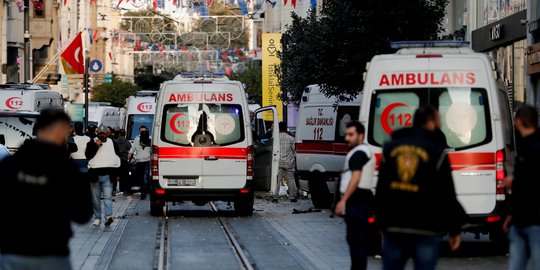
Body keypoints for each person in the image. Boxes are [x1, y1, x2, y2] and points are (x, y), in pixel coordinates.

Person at [0, 109, 93, 270]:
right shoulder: (67, 169)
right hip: (52, 252)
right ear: (59, 130)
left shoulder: (10, 164)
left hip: (11, 252)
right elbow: (83, 215)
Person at [375, 106, 465, 270]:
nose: (441, 123)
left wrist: (380, 221)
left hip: (395, 226)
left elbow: (382, 189)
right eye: (439, 119)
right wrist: (454, 230)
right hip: (427, 228)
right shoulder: (437, 153)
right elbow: (447, 194)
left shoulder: (390, 149)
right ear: (431, 123)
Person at [503, 105, 540, 270]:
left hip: (535, 221)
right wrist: (511, 214)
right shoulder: (525, 145)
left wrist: (514, 183)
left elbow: (532, 182)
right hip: (520, 219)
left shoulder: (533, 147)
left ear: (519, 121)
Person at [334, 121, 374, 270]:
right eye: (346, 135)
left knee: (357, 243)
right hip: (358, 203)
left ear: (361, 135)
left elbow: (356, 177)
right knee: (355, 242)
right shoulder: (360, 151)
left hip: (358, 203)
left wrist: (343, 201)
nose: (347, 138)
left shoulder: (360, 153)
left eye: (351, 135)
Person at [87, 124, 121, 227]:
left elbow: (117, 158)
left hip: (108, 175)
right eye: (100, 133)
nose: (102, 136)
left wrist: (117, 174)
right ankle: (97, 217)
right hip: (95, 175)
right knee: (95, 199)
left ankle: (108, 217)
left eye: (104, 134)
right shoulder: (92, 142)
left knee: (108, 197)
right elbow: (88, 155)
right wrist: (96, 146)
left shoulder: (113, 143)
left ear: (107, 133)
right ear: (97, 133)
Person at [274, 122, 298, 202]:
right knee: (291, 179)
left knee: (277, 179)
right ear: (285, 128)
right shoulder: (291, 138)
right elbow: (294, 151)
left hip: (278, 162)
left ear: (279, 128)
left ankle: (275, 196)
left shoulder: (275, 138)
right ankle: (292, 196)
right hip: (288, 162)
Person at [129, 125, 152, 200]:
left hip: (147, 161)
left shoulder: (150, 138)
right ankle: (144, 189)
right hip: (139, 161)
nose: (143, 132)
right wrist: (129, 155)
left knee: (145, 177)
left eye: (144, 131)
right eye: (142, 131)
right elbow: (132, 149)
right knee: (141, 177)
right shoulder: (137, 139)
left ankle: (143, 192)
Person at [115, 129, 132, 195]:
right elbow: (130, 152)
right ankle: (126, 190)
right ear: (125, 134)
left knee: (117, 175)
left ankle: (117, 189)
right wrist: (129, 160)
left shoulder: (115, 142)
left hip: (117, 160)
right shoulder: (127, 142)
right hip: (125, 161)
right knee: (126, 175)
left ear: (119, 134)